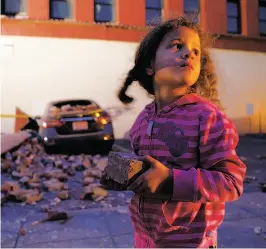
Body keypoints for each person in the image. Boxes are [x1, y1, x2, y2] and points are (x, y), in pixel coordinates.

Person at [102, 16, 246, 248]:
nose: (189, 54)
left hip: (191, 243)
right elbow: (145, 172)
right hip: (145, 238)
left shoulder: (208, 118)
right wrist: (123, 176)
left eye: (196, 51)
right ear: (150, 65)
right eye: (177, 46)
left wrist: (170, 181)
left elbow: (231, 182)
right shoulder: (142, 120)